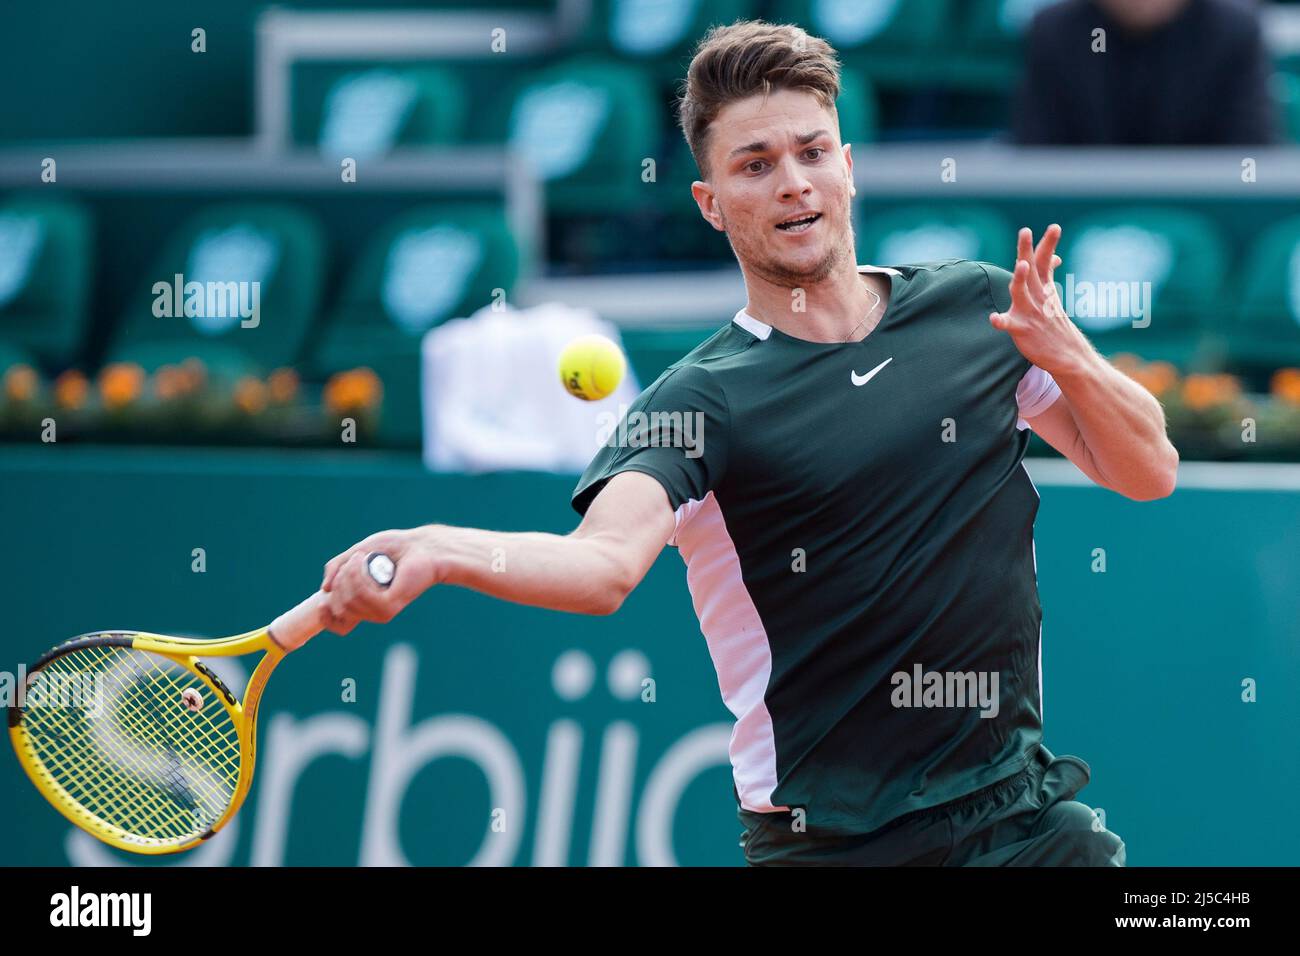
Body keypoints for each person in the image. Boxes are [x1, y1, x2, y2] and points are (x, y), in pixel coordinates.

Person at [319, 21, 1178, 866]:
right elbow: (604, 567)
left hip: (1018, 816)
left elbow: (1148, 471)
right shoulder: (697, 400)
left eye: (812, 153)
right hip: (834, 842)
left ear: (848, 166)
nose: (792, 184)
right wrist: (438, 549)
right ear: (711, 203)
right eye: (756, 166)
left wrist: (1068, 353)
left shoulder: (980, 310)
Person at [1013, 0, 1279, 145]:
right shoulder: (1054, 30)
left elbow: (1250, 152)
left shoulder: (1236, 29)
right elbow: (1035, 147)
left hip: (1203, 218)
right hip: (1074, 221)